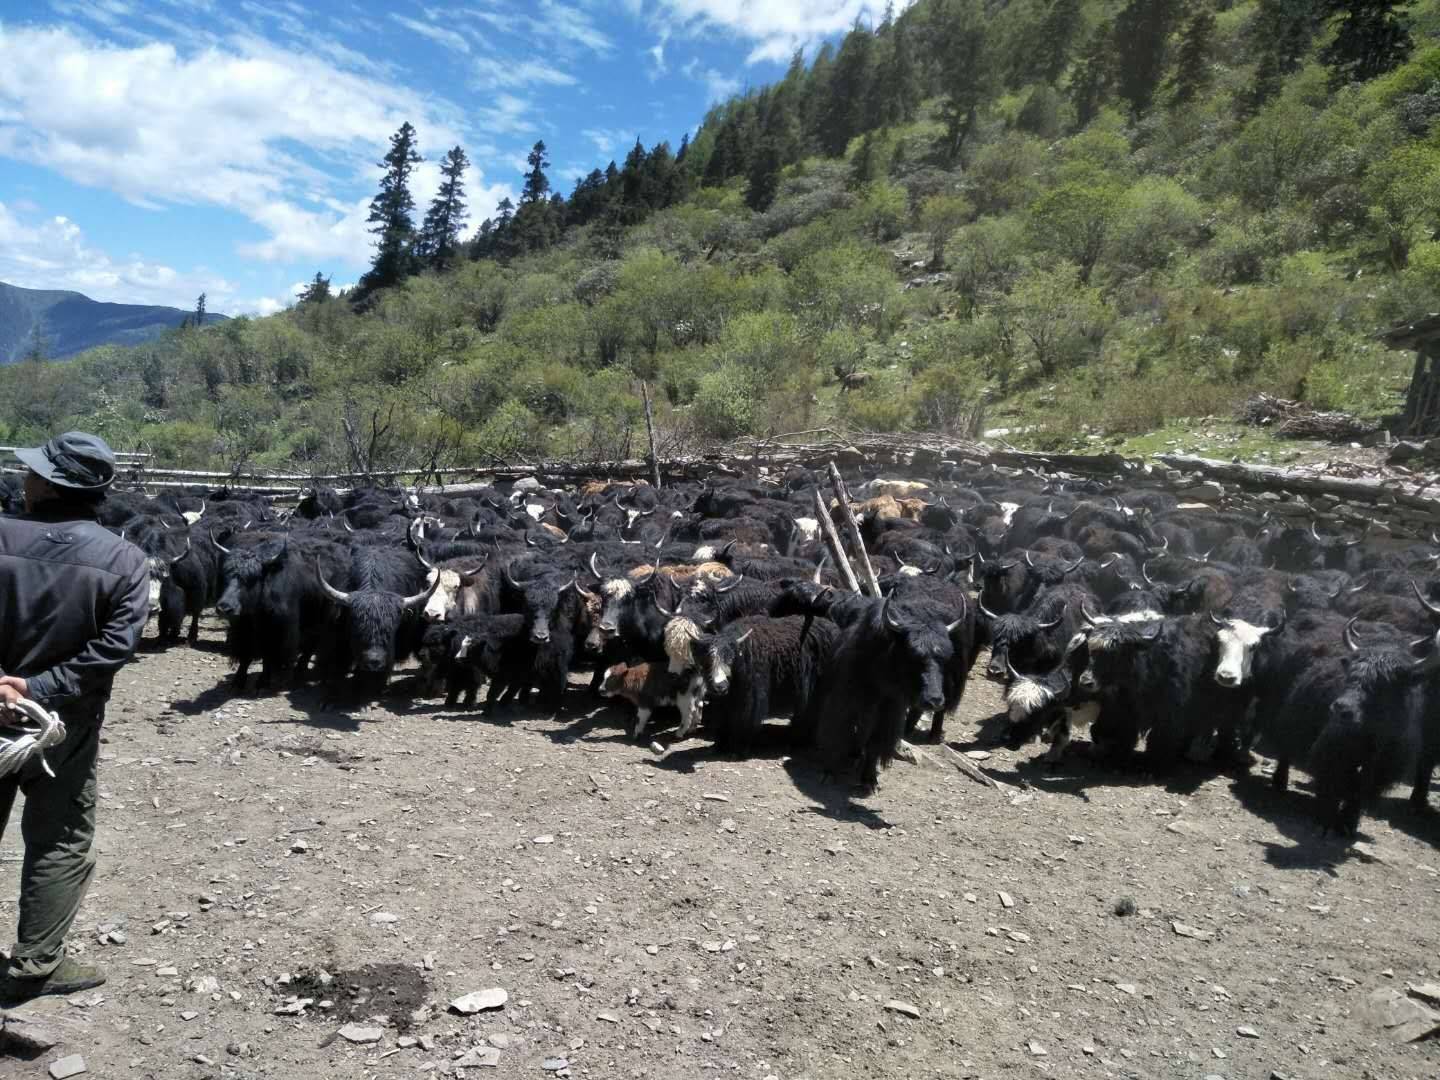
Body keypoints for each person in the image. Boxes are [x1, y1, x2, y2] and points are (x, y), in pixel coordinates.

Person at [0, 432, 149, 1005]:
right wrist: (37, 687)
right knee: (60, 840)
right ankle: (36, 963)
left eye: (32, 473)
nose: (23, 480)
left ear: (48, 485)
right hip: (63, 723)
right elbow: (113, 650)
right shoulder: (125, 561)